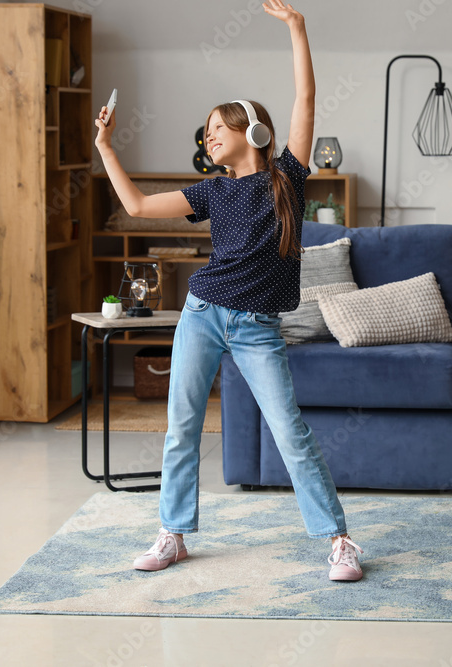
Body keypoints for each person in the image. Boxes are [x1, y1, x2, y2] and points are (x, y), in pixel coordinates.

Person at [93, 0, 362, 581]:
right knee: (182, 424)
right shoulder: (211, 193)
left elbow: (307, 100)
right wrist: (107, 150)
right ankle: (173, 534)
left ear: (252, 132)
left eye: (218, 128)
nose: (209, 137)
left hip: (257, 325)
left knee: (290, 430)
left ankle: (338, 540)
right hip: (203, 312)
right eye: (207, 132)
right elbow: (137, 205)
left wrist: (298, 27)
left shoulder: (285, 176)